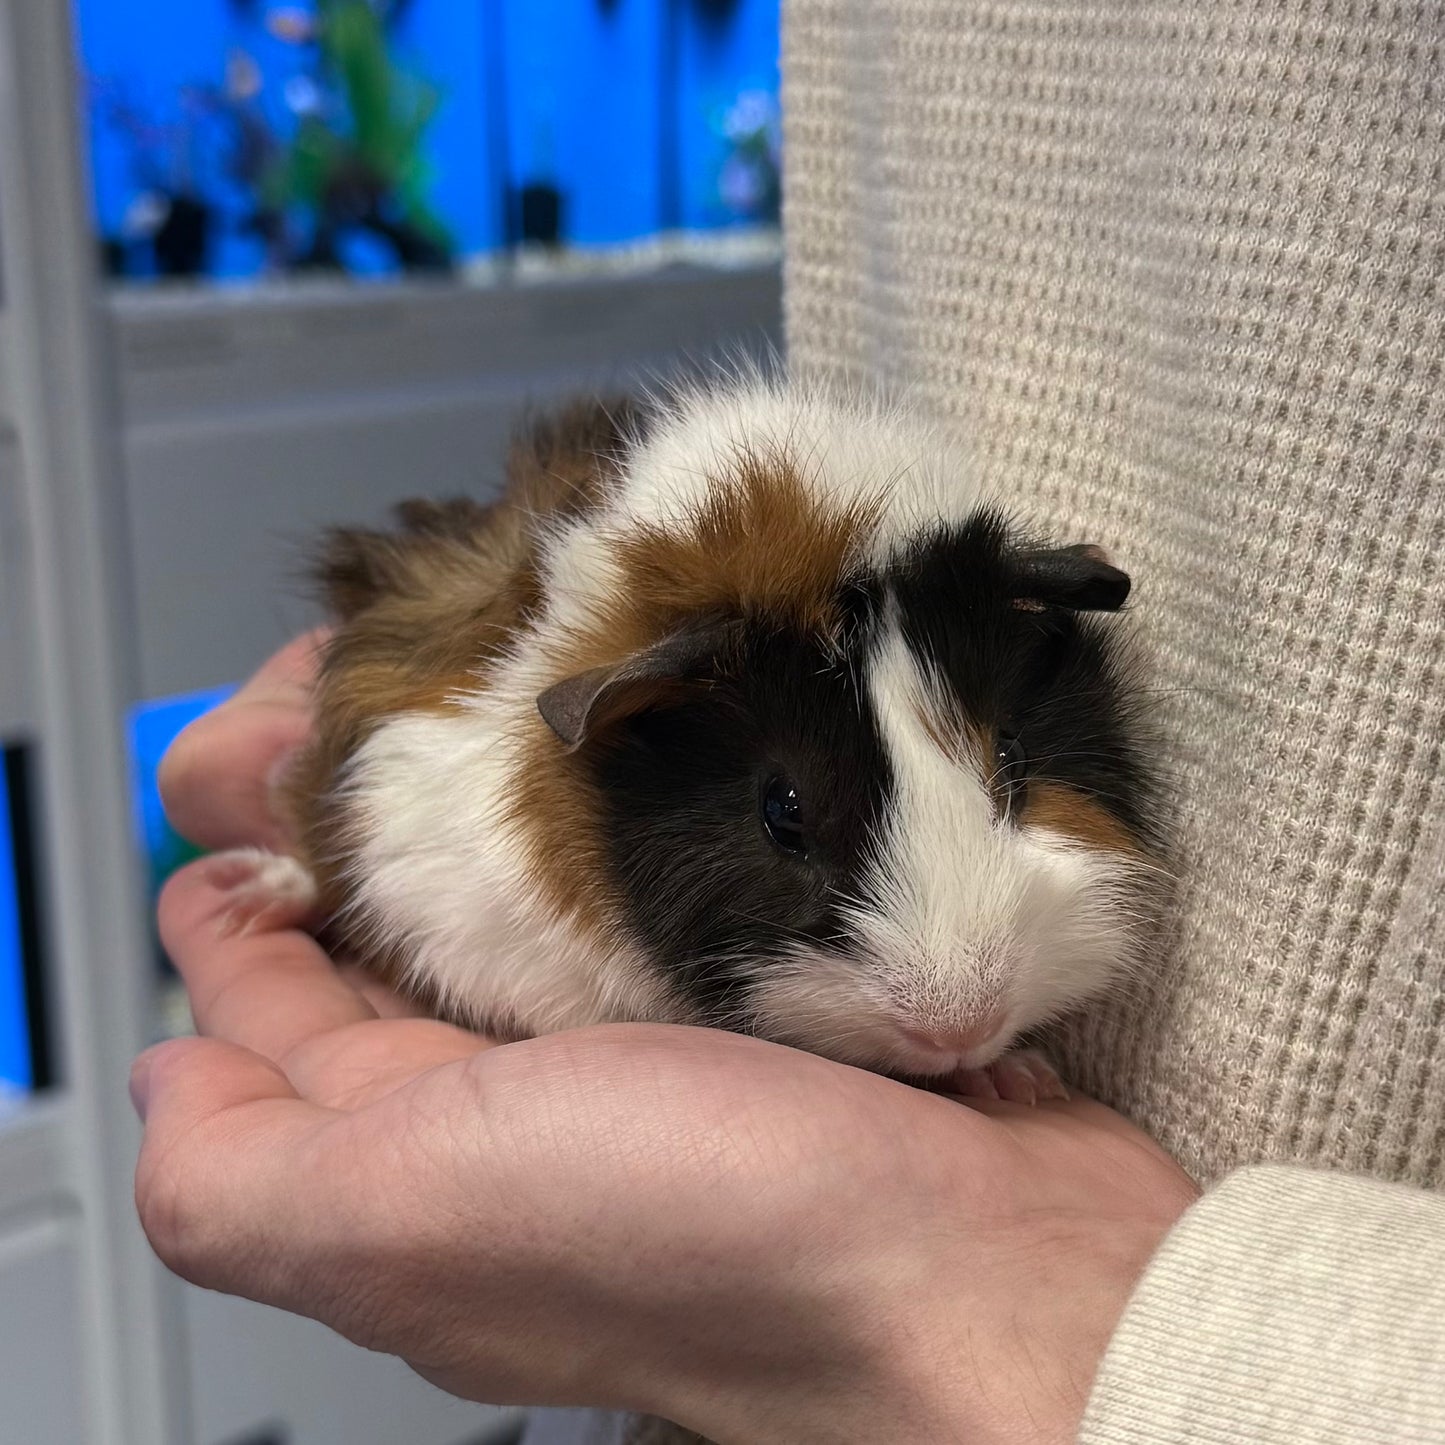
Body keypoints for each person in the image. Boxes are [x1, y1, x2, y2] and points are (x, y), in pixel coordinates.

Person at [137, 1, 1445, 1437]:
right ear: (630, 721)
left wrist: (1082, 1319)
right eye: (786, 816)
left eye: (1001, 772)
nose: (950, 1002)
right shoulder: (518, 786)